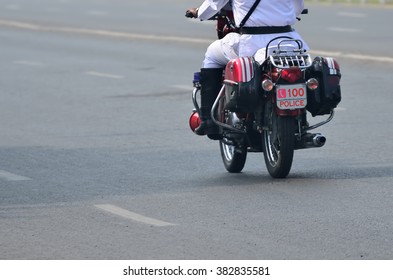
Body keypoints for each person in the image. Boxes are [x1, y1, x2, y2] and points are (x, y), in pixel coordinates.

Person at [186, 0, 309, 136]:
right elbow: (297, 8)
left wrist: (198, 12)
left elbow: (213, 6)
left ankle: (208, 121)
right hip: (288, 42)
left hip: (252, 43)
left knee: (212, 55)